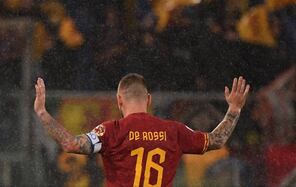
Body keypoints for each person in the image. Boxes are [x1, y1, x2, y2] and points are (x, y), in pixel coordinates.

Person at [34, 73, 250, 187]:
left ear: (119, 100)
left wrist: (43, 114)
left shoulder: (111, 131)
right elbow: (216, 140)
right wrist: (233, 110)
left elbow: (71, 144)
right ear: (148, 100)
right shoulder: (173, 131)